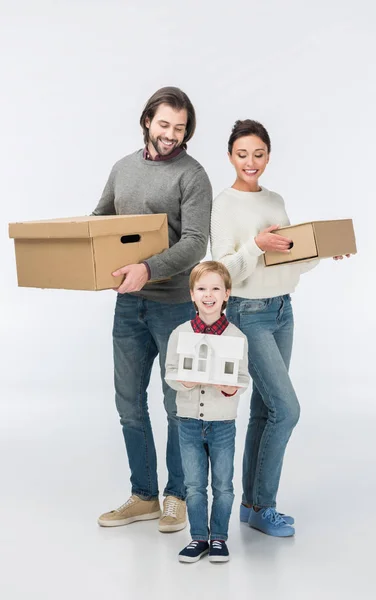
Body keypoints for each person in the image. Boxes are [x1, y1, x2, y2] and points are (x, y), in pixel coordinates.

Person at [211, 119, 349, 537]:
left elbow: (287, 258)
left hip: (282, 310)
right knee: (287, 410)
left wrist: (323, 252)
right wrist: (256, 244)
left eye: (258, 154)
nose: (250, 162)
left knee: (267, 411)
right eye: (242, 154)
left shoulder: (276, 199)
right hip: (246, 312)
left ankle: (252, 507)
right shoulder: (223, 204)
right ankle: (265, 505)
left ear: (268, 156)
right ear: (230, 157)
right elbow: (223, 270)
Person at [93, 87, 212, 533]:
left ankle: (176, 496)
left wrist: (147, 267)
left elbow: (196, 242)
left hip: (175, 306)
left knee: (177, 403)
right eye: (164, 125)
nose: (171, 135)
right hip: (129, 306)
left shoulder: (192, 175)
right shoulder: (122, 169)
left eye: (180, 128)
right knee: (128, 404)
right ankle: (143, 495)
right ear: (147, 121)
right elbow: (100, 221)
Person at [165, 261, 249, 562]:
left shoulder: (236, 337)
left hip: (222, 423)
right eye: (202, 288)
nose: (208, 294)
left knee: (223, 485)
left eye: (216, 288)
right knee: (194, 484)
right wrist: (183, 381)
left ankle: (219, 538)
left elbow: (242, 378)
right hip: (187, 422)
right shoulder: (180, 334)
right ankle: (198, 537)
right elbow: (170, 373)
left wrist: (230, 388)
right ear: (192, 294)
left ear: (227, 294)